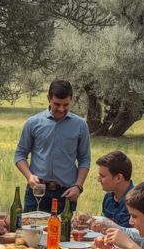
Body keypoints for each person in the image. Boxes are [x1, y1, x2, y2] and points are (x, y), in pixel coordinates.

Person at [15, 79, 91, 215]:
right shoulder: (33, 123)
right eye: (57, 104)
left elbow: (84, 159)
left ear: (71, 100)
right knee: (30, 233)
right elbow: (20, 154)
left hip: (65, 193)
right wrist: (29, 176)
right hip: (37, 190)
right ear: (48, 98)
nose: (61, 109)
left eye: (66, 104)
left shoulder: (80, 125)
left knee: (62, 235)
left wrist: (78, 187)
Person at [76, 150, 135, 231]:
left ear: (118, 178)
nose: (98, 180)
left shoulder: (137, 201)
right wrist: (88, 222)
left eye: (102, 176)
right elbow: (103, 227)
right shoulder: (108, 197)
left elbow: (136, 236)